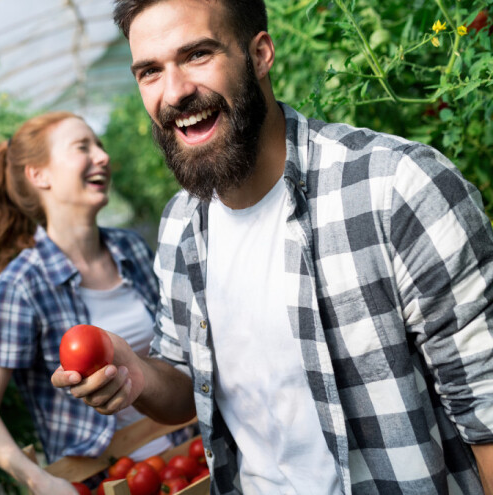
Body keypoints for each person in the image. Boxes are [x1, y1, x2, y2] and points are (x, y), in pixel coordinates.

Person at [51, 0, 493, 493]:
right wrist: (134, 371)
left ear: (260, 54)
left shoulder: (397, 190)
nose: (173, 92)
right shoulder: (180, 226)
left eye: (198, 54)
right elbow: (186, 388)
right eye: (150, 71)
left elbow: (487, 411)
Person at [0, 111, 193, 494]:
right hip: (101, 482)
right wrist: (38, 480)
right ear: (39, 175)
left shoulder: (130, 248)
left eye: (99, 146)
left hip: (180, 461)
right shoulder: (22, 284)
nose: (101, 156)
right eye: (82, 147)